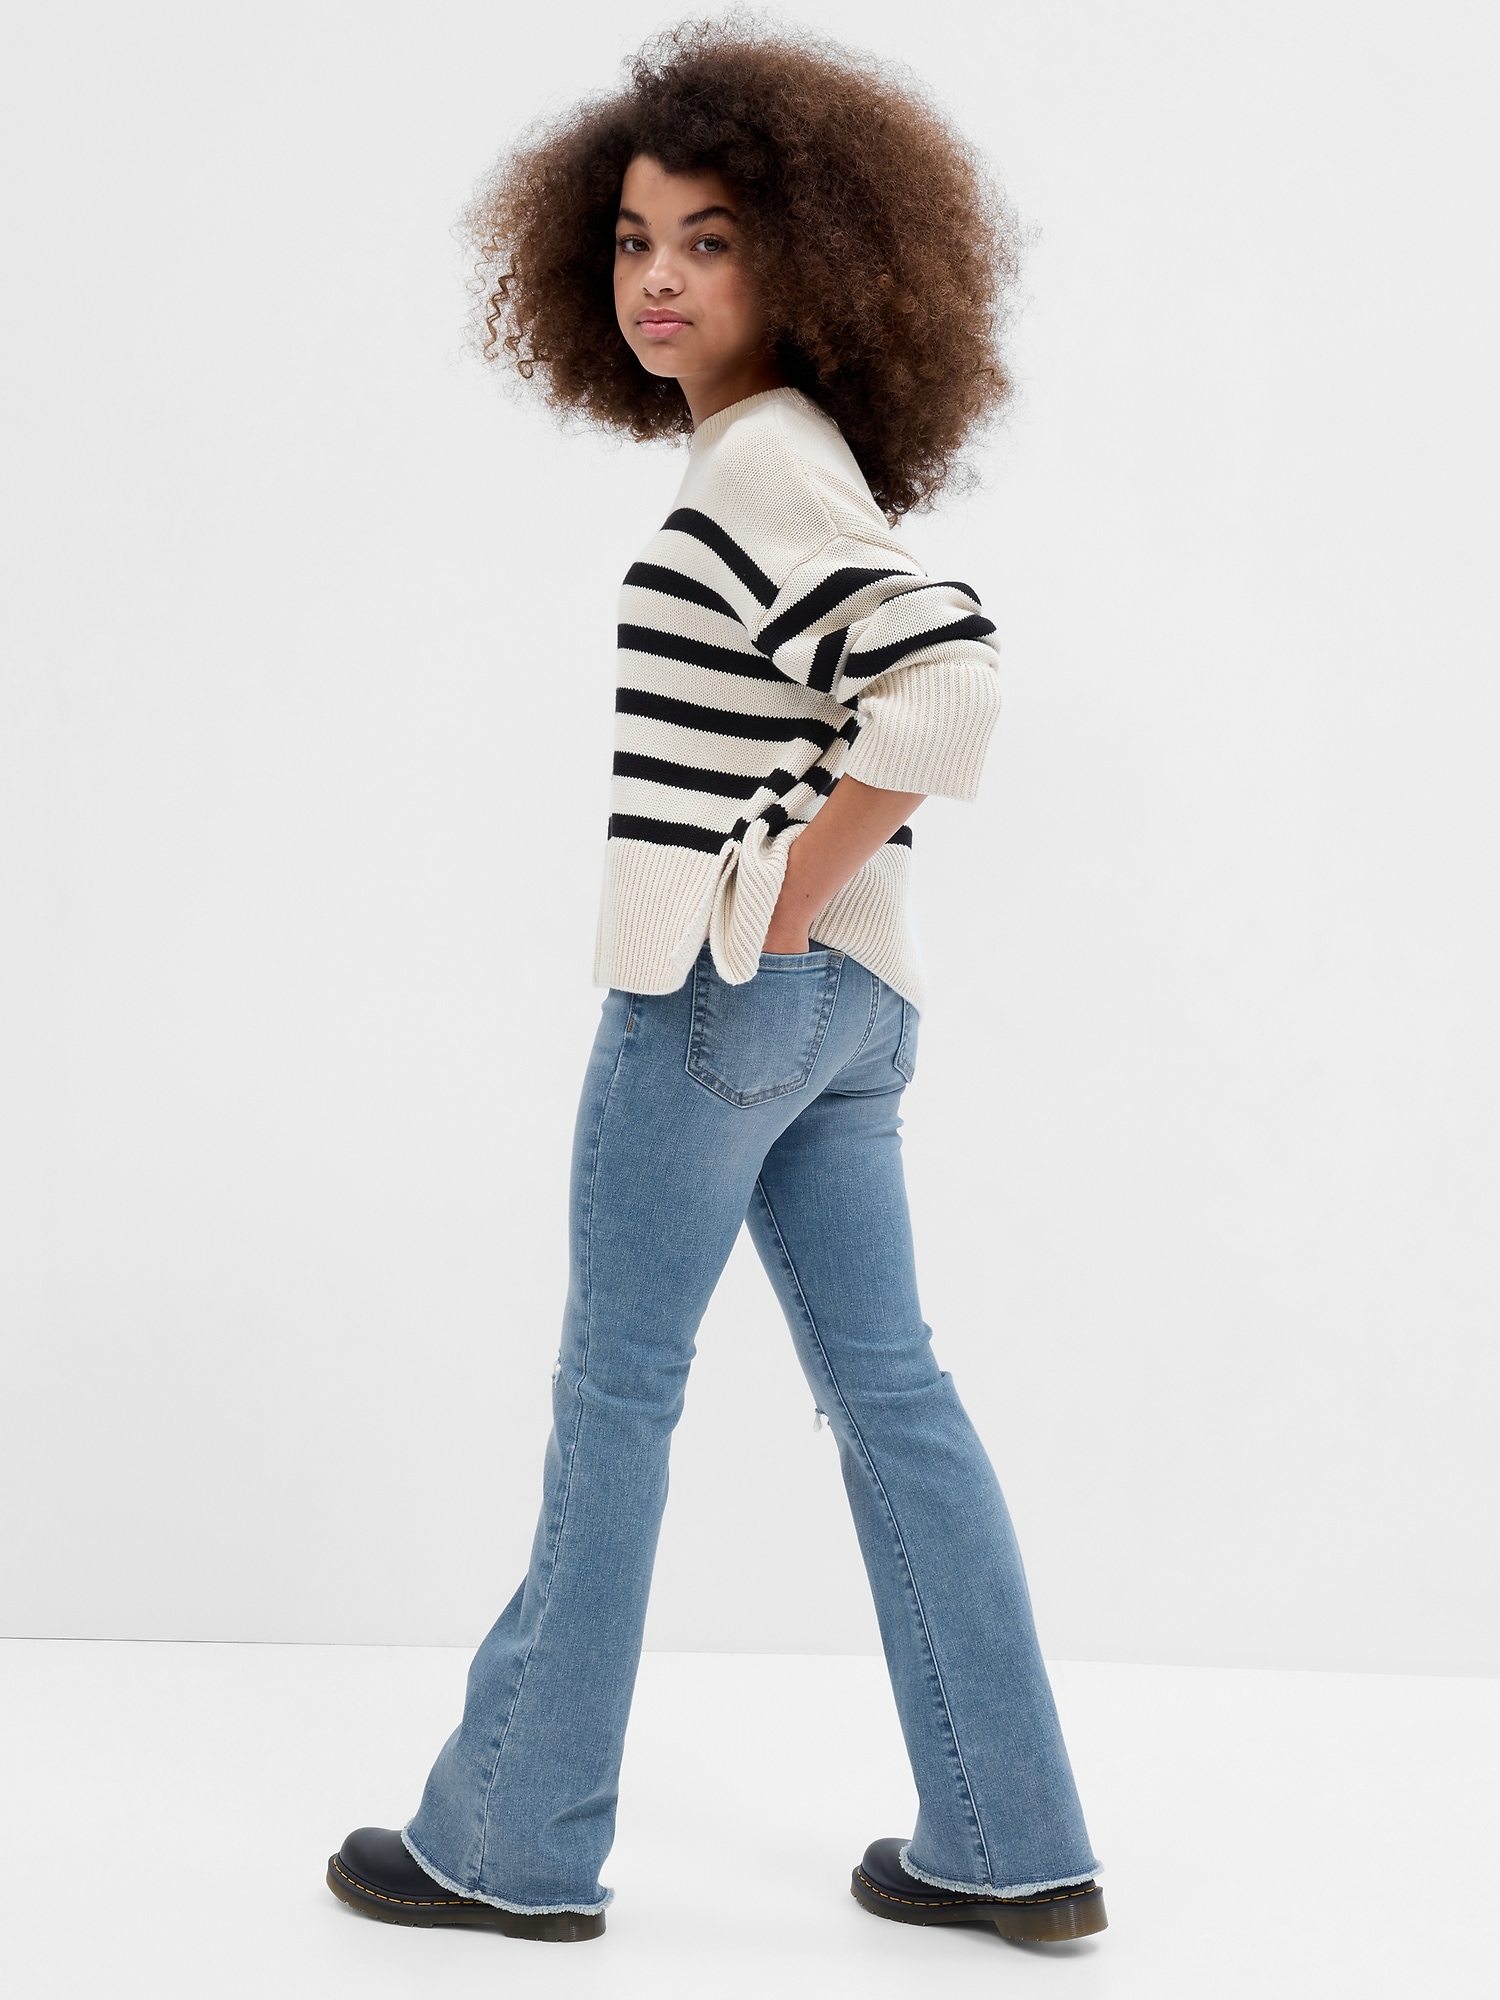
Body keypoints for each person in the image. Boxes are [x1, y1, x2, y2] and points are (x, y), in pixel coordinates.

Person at [326, 19, 1104, 1949]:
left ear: (812, 258)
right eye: (630, 240)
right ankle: (1010, 1840)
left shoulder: (758, 464)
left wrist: (770, 901)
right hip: (851, 1017)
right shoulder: (797, 452)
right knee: (895, 1395)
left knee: (616, 1402)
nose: (657, 278)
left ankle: (510, 1846)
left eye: (711, 240)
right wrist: (811, 906)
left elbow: (948, 681)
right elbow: (880, 694)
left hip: (721, 1003)